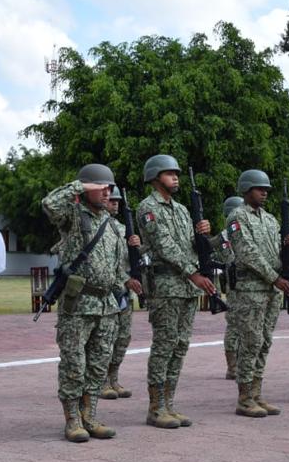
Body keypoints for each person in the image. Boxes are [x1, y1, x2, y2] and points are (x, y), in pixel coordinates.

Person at [42, 164, 128, 443]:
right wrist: (80, 186)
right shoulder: (72, 216)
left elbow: (118, 266)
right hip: (79, 304)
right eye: (101, 187)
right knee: (74, 365)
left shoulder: (113, 225)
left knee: (98, 365)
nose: (106, 192)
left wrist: (121, 293)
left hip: (107, 305)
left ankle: (89, 416)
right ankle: (72, 420)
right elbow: (49, 204)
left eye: (109, 188)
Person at [136, 154, 216, 429]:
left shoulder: (182, 210)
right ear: (155, 177)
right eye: (170, 173)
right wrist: (193, 274)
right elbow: (164, 246)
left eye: (177, 174)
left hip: (186, 287)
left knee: (180, 346)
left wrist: (203, 234)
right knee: (164, 344)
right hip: (166, 286)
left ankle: (169, 404)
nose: (176, 178)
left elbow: (191, 247)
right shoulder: (147, 208)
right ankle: (156, 408)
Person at [226, 170, 289, 417]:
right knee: (251, 342)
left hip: (271, 290)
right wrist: (275, 278)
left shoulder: (270, 220)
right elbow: (247, 252)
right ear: (246, 190)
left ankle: (256, 393)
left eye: (266, 189)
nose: (264, 192)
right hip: (251, 289)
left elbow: (277, 253)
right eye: (259, 189)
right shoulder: (237, 216)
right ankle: (245, 398)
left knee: (264, 342)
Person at [99, 186, 143, 401]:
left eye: (117, 200)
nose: (115, 203)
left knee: (123, 337)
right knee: (105, 339)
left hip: (124, 293)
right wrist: (125, 280)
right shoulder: (98, 227)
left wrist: (139, 246)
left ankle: (113, 378)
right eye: (112, 200)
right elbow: (106, 263)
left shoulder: (123, 228)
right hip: (108, 291)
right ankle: (101, 381)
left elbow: (128, 258)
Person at [218, 195, 244, 380]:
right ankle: (232, 366)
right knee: (234, 325)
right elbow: (229, 258)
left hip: (248, 284)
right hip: (235, 284)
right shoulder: (225, 236)